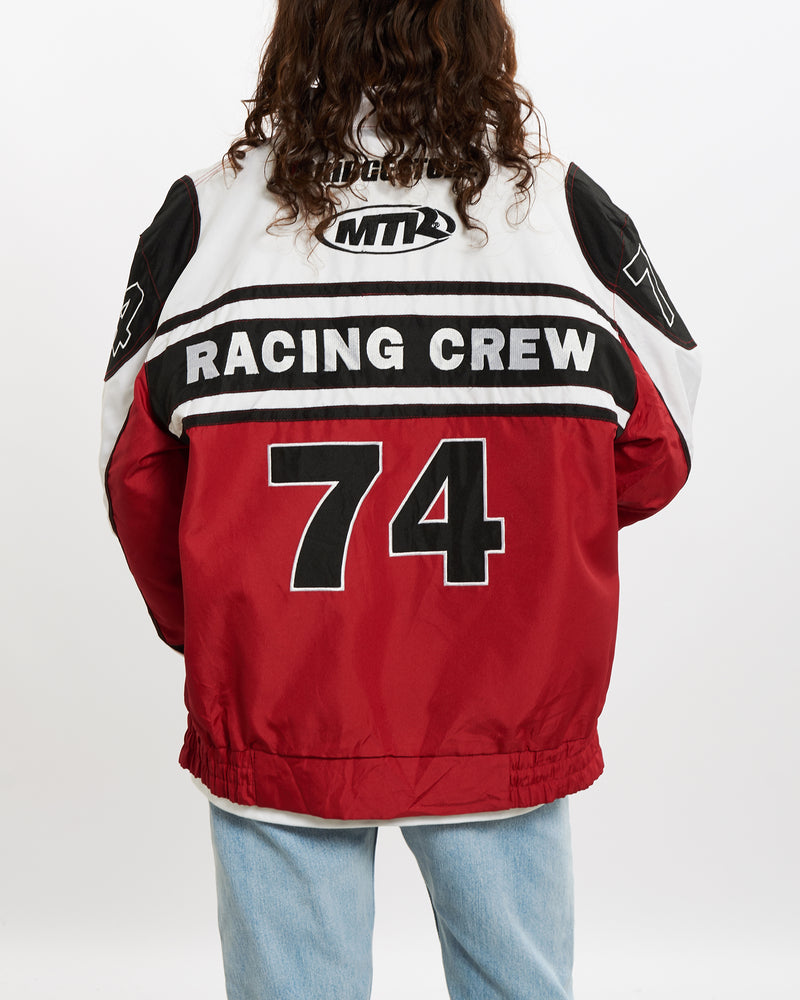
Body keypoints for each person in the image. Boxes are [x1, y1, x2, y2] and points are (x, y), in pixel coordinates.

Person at [100, 1, 701, 997]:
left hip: (282, 698)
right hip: (502, 703)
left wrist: (214, 624)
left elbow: (136, 475)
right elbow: (656, 446)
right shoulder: (558, 211)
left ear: (301, 30)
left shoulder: (208, 219)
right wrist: (536, 542)